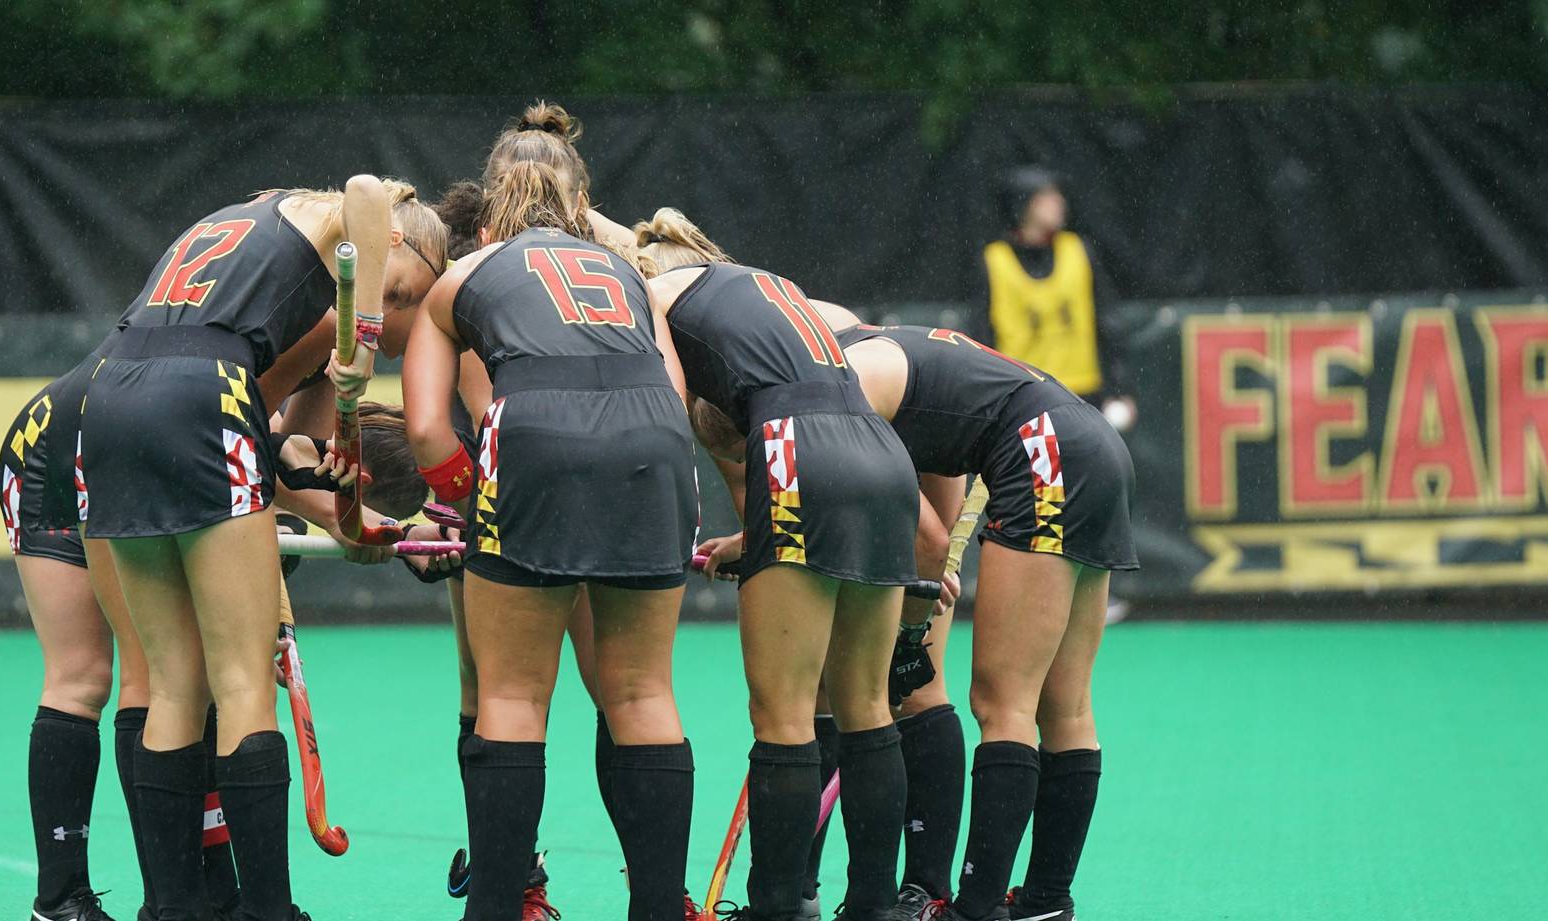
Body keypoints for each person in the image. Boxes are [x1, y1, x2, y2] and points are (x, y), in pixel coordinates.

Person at [72, 174, 445, 921]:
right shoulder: (335, 217)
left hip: (111, 395)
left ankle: (173, 911)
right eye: (408, 290)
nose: (400, 310)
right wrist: (367, 334)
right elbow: (368, 192)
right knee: (242, 682)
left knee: (175, 684)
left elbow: (279, 451)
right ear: (399, 241)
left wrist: (371, 523)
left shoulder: (252, 232)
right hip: (199, 389)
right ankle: (269, 911)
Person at [397, 161, 700, 921]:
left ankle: (499, 908)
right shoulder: (627, 276)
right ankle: (659, 910)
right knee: (641, 691)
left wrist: (471, 500)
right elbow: (674, 392)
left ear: (489, 224)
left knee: (511, 694)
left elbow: (428, 430)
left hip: (532, 435)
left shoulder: (465, 274)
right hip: (656, 440)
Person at [623, 209, 921, 921]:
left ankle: (777, 908)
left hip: (797, 446)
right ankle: (874, 906)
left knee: (782, 715)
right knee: (866, 707)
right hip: (881, 453)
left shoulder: (652, 297)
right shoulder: (763, 284)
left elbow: (661, 408)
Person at [822, 322, 1136, 921]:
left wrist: (910, 620)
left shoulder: (840, 382)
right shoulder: (888, 358)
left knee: (1002, 702)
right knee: (1065, 706)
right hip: (1090, 442)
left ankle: (975, 908)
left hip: (1044, 455)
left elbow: (927, 538)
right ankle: (1045, 902)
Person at [966, 168, 1134, 431]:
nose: (1059, 203)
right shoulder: (995, 261)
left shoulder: (1078, 250)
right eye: (1046, 196)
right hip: (1024, 398)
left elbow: (1108, 323)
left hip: (1081, 395)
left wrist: (1120, 388)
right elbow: (981, 337)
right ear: (1023, 205)